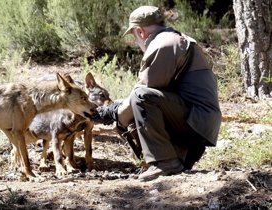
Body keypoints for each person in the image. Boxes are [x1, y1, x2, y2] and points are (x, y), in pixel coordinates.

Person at [92, 6, 221, 181]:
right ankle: (174, 158)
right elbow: (161, 92)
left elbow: (143, 94)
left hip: (195, 124)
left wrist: (115, 115)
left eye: (134, 36)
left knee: (139, 99)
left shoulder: (163, 44)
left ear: (140, 31)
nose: (136, 42)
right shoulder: (174, 39)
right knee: (133, 102)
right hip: (198, 124)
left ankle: (164, 161)